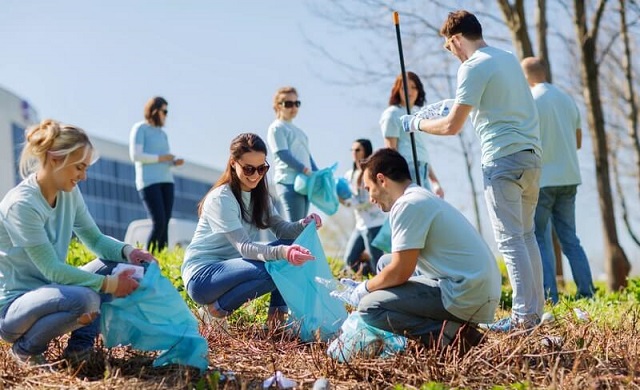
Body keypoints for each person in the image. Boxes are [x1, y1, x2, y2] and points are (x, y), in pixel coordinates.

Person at [401, 10, 543, 332]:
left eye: (448, 47)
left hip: (502, 160)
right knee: (526, 236)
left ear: (455, 39)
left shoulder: (471, 67)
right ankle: (534, 314)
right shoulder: (506, 57)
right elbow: (492, 101)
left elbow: (452, 127)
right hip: (531, 157)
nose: (450, 54)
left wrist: (417, 124)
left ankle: (522, 319)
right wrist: (453, 101)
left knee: (510, 241)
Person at [0, 119, 155, 366]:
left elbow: (94, 239)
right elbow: (51, 268)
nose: (83, 177)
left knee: (125, 265)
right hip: (15, 308)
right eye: (79, 168)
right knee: (86, 300)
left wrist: (129, 252)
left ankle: (78, 352)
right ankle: (27, 350)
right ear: (54, 159)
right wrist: (110, 284)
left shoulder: (69, 193)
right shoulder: (22, 205)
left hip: (55, 289)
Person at [338, 148, 501, 349]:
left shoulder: (408, 205)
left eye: (368, 188)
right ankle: (437, 329)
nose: (370, 198)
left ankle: (455, 337)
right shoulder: (418, 196)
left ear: (382, 180)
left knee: (370, 308)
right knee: (384, 263)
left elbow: (400, 271)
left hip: (466, 293)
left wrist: (364, 288)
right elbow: (396, 265)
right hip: (473, 286)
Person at [181, 133, 321, 326]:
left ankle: (276, 323)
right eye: (248, 169)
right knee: (277, 265)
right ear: (233, 163)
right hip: (203, 277)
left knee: (286, 252)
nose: (256, 175)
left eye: (261, 168)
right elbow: (245, 248)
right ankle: (215, 310)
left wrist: (303, 224)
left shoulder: (260, 197)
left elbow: (282, 231)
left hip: (235, 269)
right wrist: (283, 253)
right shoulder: (222, 198)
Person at [521, 57, 595, 304]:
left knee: (540, 237)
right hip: (569, 178)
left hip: (543, 179)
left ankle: (550, 297)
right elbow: (578, 142)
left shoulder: (530, 101)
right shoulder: (567, 99)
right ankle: (587, 293)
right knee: (570, 239)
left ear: (527, 76)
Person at [129, 96, 184, 253]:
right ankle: (147, 258)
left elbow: (164, 158)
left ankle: (161, 260)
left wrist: (173, 162)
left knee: (165, 222)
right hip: (149, 182)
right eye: (164, 111)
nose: (166, 115)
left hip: (167, 181)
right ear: (154, 111)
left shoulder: (162, 134)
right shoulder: (140, 129)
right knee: (158, 221)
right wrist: (161, 158)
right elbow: (136, 156)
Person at [380, 72, 444, 197]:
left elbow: (421, 152)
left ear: (419, 90)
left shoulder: (419, 115)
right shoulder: (392, 114)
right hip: (407, 169)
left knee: (428, 209)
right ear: (397, 90)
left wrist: (435, 181)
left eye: (413, 87)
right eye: (404, 88)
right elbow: (390, 150)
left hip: (422, 168)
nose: (409, 92)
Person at [267, 87, 318, 221]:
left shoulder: (299, 131)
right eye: (288, 104)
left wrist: (317, 172)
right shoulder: (276, 128)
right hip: (288, 181)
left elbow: (307, 156)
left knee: (301, 227)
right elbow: (282, 154)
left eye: (297, 103)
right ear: (278, 106)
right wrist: (304, 169)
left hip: (305, 183)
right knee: (295, 228)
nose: (293, 107)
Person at [341, 139, 387, 275]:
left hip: (374, 224)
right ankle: (369, 272)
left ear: (366, 151)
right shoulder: (349, 175)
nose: (354, 153)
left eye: (358, 150)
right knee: (350, 260)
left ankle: (383, 284)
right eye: (352, 150)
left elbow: (372, 198)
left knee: (377, 262)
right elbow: (347, 196)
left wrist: (351, 203)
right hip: (360, 225)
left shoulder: (372, 172)